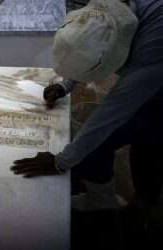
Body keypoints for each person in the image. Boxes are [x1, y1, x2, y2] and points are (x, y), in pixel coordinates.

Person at [12, 0, 163, 216]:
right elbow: (93, 48)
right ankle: (131, 200)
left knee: (141, 136)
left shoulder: (154, 41)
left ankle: (129, 205)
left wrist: (60, 163)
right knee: (137, 138)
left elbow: (114, 111)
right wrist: (65, 84)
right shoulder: (110, 8)